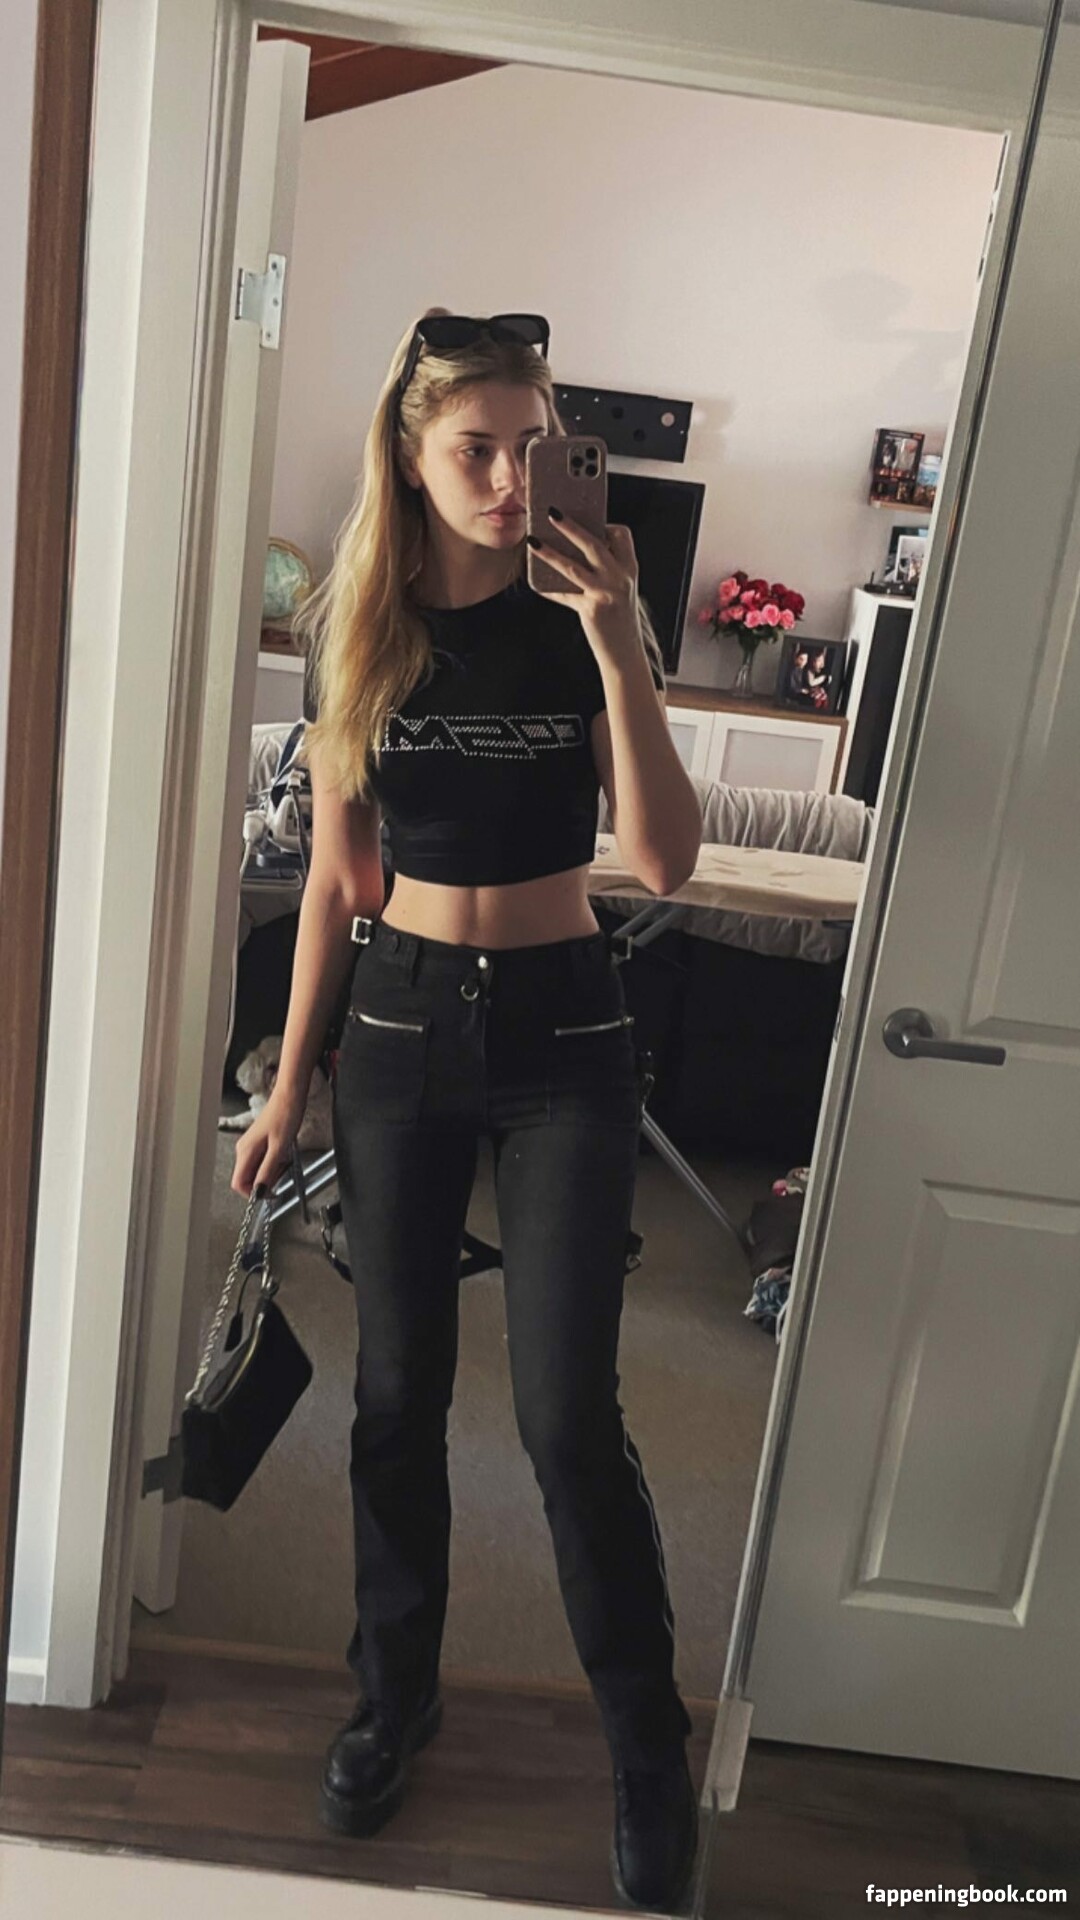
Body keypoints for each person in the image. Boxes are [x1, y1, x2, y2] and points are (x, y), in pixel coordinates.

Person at [231, 309, 703, 1911]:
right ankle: (393, 1699)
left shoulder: (588, 621)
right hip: (400, 1029)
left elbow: (665, 858)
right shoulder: (357, 633)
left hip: (570, 1032)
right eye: (476, 449)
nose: (510, 479)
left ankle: (648, 1755)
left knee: (568, 1418)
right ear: (413, 456)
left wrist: (622, 640)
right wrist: (288, 1086)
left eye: (533, 445)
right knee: (396, 1398)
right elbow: (337, 886)